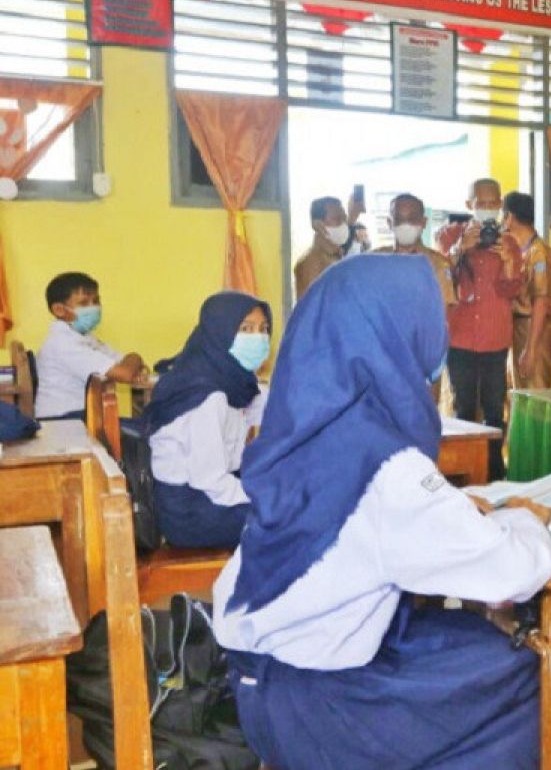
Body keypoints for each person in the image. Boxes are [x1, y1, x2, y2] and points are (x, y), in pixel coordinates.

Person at [211, 255, 551, 770]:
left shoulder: (301, 434)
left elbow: (363, 528)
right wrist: (525, 520)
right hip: (327, 713)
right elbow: (510, 574)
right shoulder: (387, 469)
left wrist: (447, 510)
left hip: (262, 685)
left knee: (471, 640)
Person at [144, 292, 271, 549]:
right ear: (218, 333)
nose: (258, 338)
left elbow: (271, 415)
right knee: (296, 521)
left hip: (212, 493)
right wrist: (268, 498)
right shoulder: (206, 395)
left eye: (264, 329)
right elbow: (210, 481)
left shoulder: (234, 382)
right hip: (191, 512)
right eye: (246, 329)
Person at [445, 178, 524, 481]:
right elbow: (441, 280)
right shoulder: (450, 235)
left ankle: (493, 471)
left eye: (494, 203)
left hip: (494, 338)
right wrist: (457, 251)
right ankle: (462, 472)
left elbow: (511, 290)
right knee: (463, 407)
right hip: (461, 336)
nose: (488, 210)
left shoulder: (510, 243)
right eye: (482, 203)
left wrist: (507, 264)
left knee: (494, 409)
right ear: (469, 205)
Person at [35, 272, 146, 420]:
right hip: (64, 421)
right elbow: (125, 373)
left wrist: (133, 363)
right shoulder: (63, 343)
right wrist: (135, 357)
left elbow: (123, 363)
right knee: (145, 436)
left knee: (144, 431)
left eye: (96, 301)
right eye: (83, 303)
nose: (94, 308)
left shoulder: (85, 337)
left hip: (83, 416)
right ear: (59, 310)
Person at [504, 191, 551, 390]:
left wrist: (531, 348)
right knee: (518, 394)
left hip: (534, 329)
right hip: (520, 329)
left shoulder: (539, 253)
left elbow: (541, 300)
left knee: (535, 393)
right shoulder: (520, 251)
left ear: (509, 217)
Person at [375, 193, 457, 309]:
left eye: (412, 219)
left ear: (423, 222)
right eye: (399, 219)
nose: (405, 224)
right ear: (389, 223)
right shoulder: (374, 261)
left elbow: (443, 313)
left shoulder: (439, 264)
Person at [293, 191, 367, 299]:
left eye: (344, 218)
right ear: (317, 225)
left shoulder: (335, 256)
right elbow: (311, 311)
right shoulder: (312, 263)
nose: (343, 224)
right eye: (337, 219)